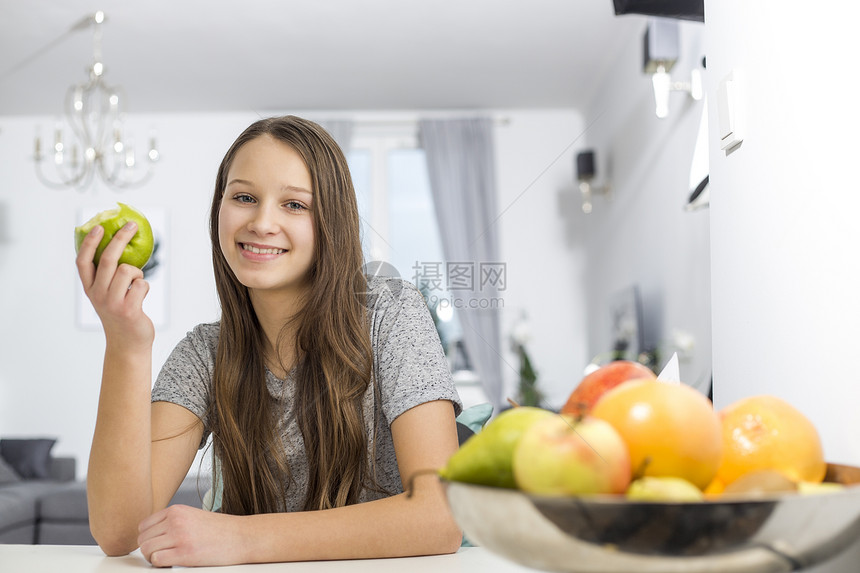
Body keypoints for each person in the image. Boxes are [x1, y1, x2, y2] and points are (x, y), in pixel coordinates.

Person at [75, 115, 464, 567]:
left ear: (331, 222)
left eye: (295, 205)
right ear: (219, 208)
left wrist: (242, 538)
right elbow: (119, 531)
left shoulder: (390, 314)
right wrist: (126, 345)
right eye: (244, 197)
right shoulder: (205, 354)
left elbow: (441, 516)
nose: (262, 223)